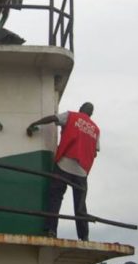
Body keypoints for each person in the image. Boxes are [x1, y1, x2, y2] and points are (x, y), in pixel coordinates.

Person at [26, 102, 100, 241]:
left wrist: (34, 123)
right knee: (80, 205)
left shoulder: (71, 116)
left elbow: (53, 119)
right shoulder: (96, 130)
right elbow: (95, 151)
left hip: (64, 164)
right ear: (91, 114)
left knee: (55, 196)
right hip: (82, 171)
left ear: (80, 109)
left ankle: (51, 230)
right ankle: (84, 237)